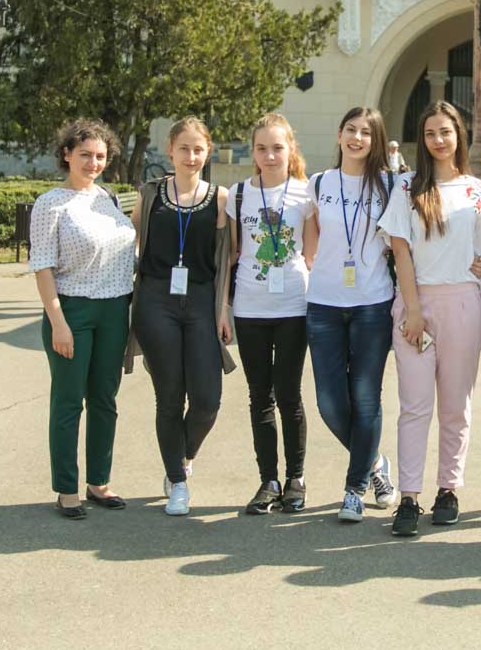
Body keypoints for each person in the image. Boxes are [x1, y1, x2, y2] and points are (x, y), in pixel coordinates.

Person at [380, 100, 481, 537]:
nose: (438, 140)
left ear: (458, 135)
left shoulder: (477, 190)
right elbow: (401, 251)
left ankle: (449, 489)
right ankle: (408, 495)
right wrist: (411, 310)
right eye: (430, 133)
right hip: (416, 304)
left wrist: (480, 267)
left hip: (463, 304)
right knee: (415, 405)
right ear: (422, 140)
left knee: (455, 407)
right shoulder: (407, 186)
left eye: (446, 132)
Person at [29, 118, 136, 519]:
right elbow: (42, 267)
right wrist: (57, 321)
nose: (93, 163)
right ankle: (66, 488)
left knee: (105, 399)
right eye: (86, 155)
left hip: (115, 310)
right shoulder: (50, 203)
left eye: (101, 156)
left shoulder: (108, 198)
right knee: (69, 400)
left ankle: (99, 482)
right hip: (72, 309)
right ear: (67, 155)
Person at [302, 106, 400, 523]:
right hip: (324, 303)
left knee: (365, 398)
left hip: (372, 303)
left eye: (366, 132)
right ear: (340, 135)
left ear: (376, 141)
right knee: (329, 403)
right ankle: (376, 464)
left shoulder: (391, 185)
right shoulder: (319, 183)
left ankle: (354, 488)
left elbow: (401, 244)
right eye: (351, 130)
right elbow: (310, 246)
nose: (357, 138)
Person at [130, 117, 226, 516]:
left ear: (208, 152)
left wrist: (223, 312)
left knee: (207, 399)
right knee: (169, 396)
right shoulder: (150, 194)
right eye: (183, 148)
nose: (190, 156)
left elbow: (225, 261)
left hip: (202, 301)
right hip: (157, 300)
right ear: (170, 149)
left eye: (198, 148)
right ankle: (178, 481)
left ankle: (183, 454)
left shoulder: (220, 198)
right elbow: (130, 243)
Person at [221, 112, 314, 516]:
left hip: (293, 305)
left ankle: (296, 477)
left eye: (277, 147)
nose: (270, 155)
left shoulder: (304, 194)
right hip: (250, 306)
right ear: (253, 151)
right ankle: (268, 481)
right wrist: (224, 309)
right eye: (262, 148)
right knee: (259, 396)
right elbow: (232, 255)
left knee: (289, 395)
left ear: (290, 149)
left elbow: (311, 253)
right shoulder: (238, 194)